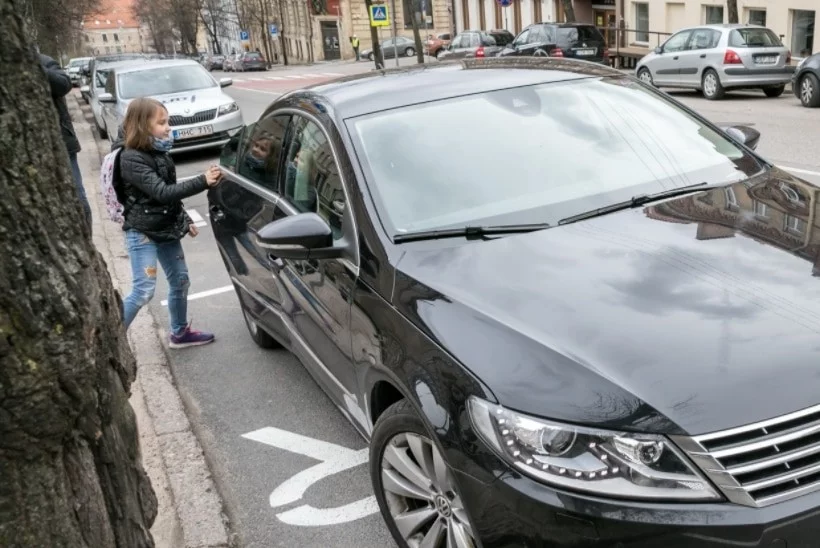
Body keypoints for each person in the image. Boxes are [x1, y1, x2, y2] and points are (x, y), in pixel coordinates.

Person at [114, 97, 222, 348]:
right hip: (142, 232)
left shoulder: (159, 151)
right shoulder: (130, 158)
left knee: (181, 281)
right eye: (161, 122)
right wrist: (203, 180)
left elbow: (168, 192)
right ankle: (111, 343)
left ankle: (180, 333)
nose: (167, 127)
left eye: (168, 121)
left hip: (164, 227)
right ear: (142, 125)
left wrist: (183, 218)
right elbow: (162, 192)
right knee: (143, 291)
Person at [40, 53, 92, 230]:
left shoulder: (42, 61)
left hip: (62, 145)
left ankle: (87, 243)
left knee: (77, 196)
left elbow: (63, 84)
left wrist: (32, 64)